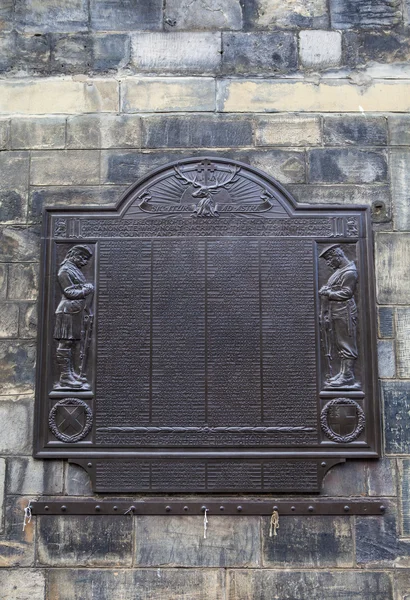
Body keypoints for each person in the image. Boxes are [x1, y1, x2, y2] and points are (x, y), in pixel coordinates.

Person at [54, 245, 94, 390]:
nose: (84, 262)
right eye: (82, 258)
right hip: (67, 311)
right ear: (73, 255)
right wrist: (86, 289)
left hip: (74, 312)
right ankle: (65, 377)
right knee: (65, 343)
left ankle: (70, 374)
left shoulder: (74, 269)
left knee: (70, 344)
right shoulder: (64, 270)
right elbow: (69, 292)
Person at [319, 244, 359, 388]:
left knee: (346, 343)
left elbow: (347, 293)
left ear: (337, 256)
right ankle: (343, 373)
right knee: (339, 343)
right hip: (337, 312)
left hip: (345, 313)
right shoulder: (340, 271)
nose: (329, 264)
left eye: (330, 260)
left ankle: (348, 376)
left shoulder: (349, 272)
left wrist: (328, 293)